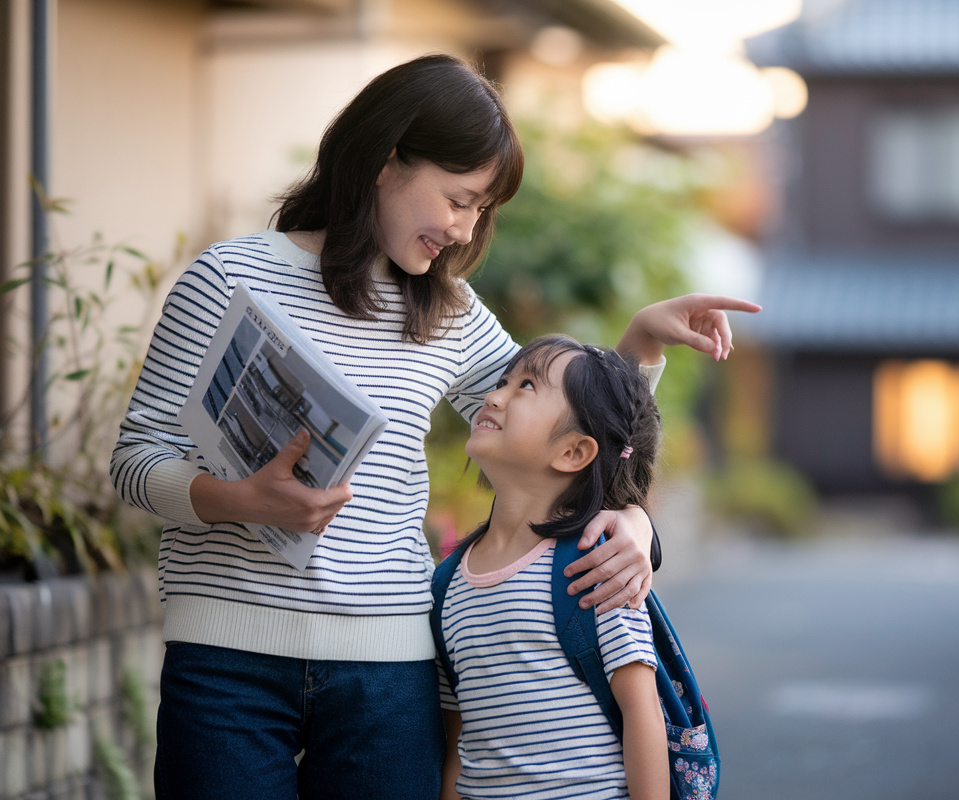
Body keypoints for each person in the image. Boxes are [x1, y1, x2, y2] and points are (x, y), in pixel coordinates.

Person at [109, 52, 758, 800]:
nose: (464, 228)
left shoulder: (448, 311)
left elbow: (562, 426)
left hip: (389, 673)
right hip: (225, 660)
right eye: (458, 199)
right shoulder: (227, 278)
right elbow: (135, 460)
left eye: (482, 209)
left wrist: (631, 503)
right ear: (387, 161)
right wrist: (239, 500)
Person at [434, 335, 668, 800]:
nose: (494, 395)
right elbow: (460, 737)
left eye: (524, 386)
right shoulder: (448, 581)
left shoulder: (595, 564)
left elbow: (643, 714)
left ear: (573, 453)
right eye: (501, 381)